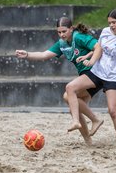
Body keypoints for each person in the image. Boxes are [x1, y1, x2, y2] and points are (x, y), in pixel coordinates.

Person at [15, 17, 104, 145]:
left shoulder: (79, 37)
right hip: (86, 75)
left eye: (64, 31)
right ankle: (88, 141)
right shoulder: (62, 44)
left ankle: (90, 120)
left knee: (70, 88)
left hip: (96, 72)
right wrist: (27, 55)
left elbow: (98, 47)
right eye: (59, 32)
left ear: (71, 29)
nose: (61, 34)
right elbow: (44, 54)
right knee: (71, 102)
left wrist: (91, 61)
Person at [65, 9, 116, 144]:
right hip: (96, 73)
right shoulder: (106, 32)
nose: (111, 25)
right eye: (110, 22)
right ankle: (77, 121)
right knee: (70, 88)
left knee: (112, 111)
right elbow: (98, 48)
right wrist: (88, 56)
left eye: (114, 22)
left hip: (111, 78)